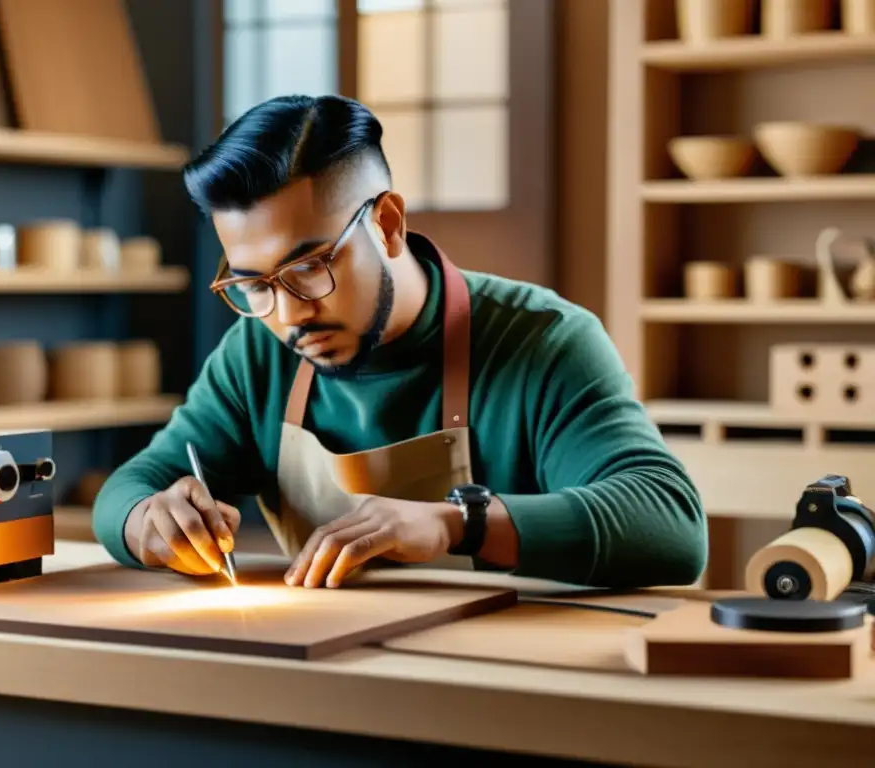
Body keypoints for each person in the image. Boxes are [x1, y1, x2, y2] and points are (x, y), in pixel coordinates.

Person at [91, 94, 707, 590]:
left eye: (309, 269)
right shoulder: (257, 356)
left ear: (387, 224)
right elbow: (130, 487)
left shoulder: (544, 340)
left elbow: (671, 526)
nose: (288, 315)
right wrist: (150, 519)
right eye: (254, 284)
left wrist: (455, 523)